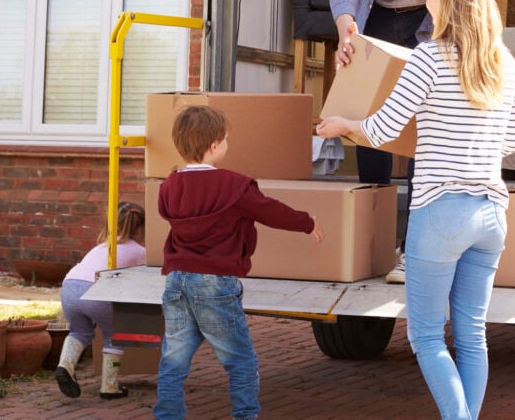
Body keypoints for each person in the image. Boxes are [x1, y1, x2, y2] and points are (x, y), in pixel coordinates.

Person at [318, 0, 515, 420]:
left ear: (445, 0)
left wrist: (344, 124)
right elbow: (509, 143)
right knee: (472, 335)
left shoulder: (428, 58)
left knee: (427, 336)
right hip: (491, 213)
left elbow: (384, 128)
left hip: (440, 211)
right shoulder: (506, 64)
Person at [329, 0, 489, 283]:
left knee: (427, 126)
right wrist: (345, 25)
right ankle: (372, 243)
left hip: (434, 17)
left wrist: (456, 43)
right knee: (369, 121)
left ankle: (415, 249)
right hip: (376, 12)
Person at [152, 105, 324, 420]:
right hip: (215, 282)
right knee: (240, 360)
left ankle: (167, 415)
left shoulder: (169, 185)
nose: (227, 145)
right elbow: (270, 210)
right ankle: (245, 415)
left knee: (173, 360)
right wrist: (306, 222)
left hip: (176, 280)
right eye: (227, 139)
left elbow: (169, 214)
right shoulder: (234, 186)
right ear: (214, 145)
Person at [54, 200, 147, 400]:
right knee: (115, 335)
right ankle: (109, 386)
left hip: (70, 287)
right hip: (96, 290)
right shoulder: (140, 251)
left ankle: (65, 366)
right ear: (140, 228)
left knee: (79, 332)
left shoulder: (102, 246)